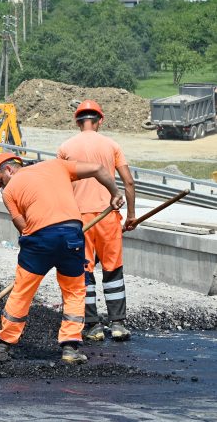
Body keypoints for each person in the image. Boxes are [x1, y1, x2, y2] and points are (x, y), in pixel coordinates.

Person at [0, 153, 124, 365]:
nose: (3, 186)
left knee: (23, 289)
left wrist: (40, 243)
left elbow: (22, 227)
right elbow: (98, 168)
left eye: (1, 180)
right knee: (75, 290)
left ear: (8, 170)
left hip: (39, 239)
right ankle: (71, 348)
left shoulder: (10, 192)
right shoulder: (57, 165)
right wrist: (114, 193)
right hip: (72, 234)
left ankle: (4, 341)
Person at [56, 99, 137, 342]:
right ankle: (118, 324)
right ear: (100, 120)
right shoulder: (111, 145)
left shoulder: (65, 147)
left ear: (77, 121)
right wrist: (131, 216)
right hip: (108, 216)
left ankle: (92, 327)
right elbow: (129, 183)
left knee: (85, 273)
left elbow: (60, 186)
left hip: (79, 220)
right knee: (113, 270)